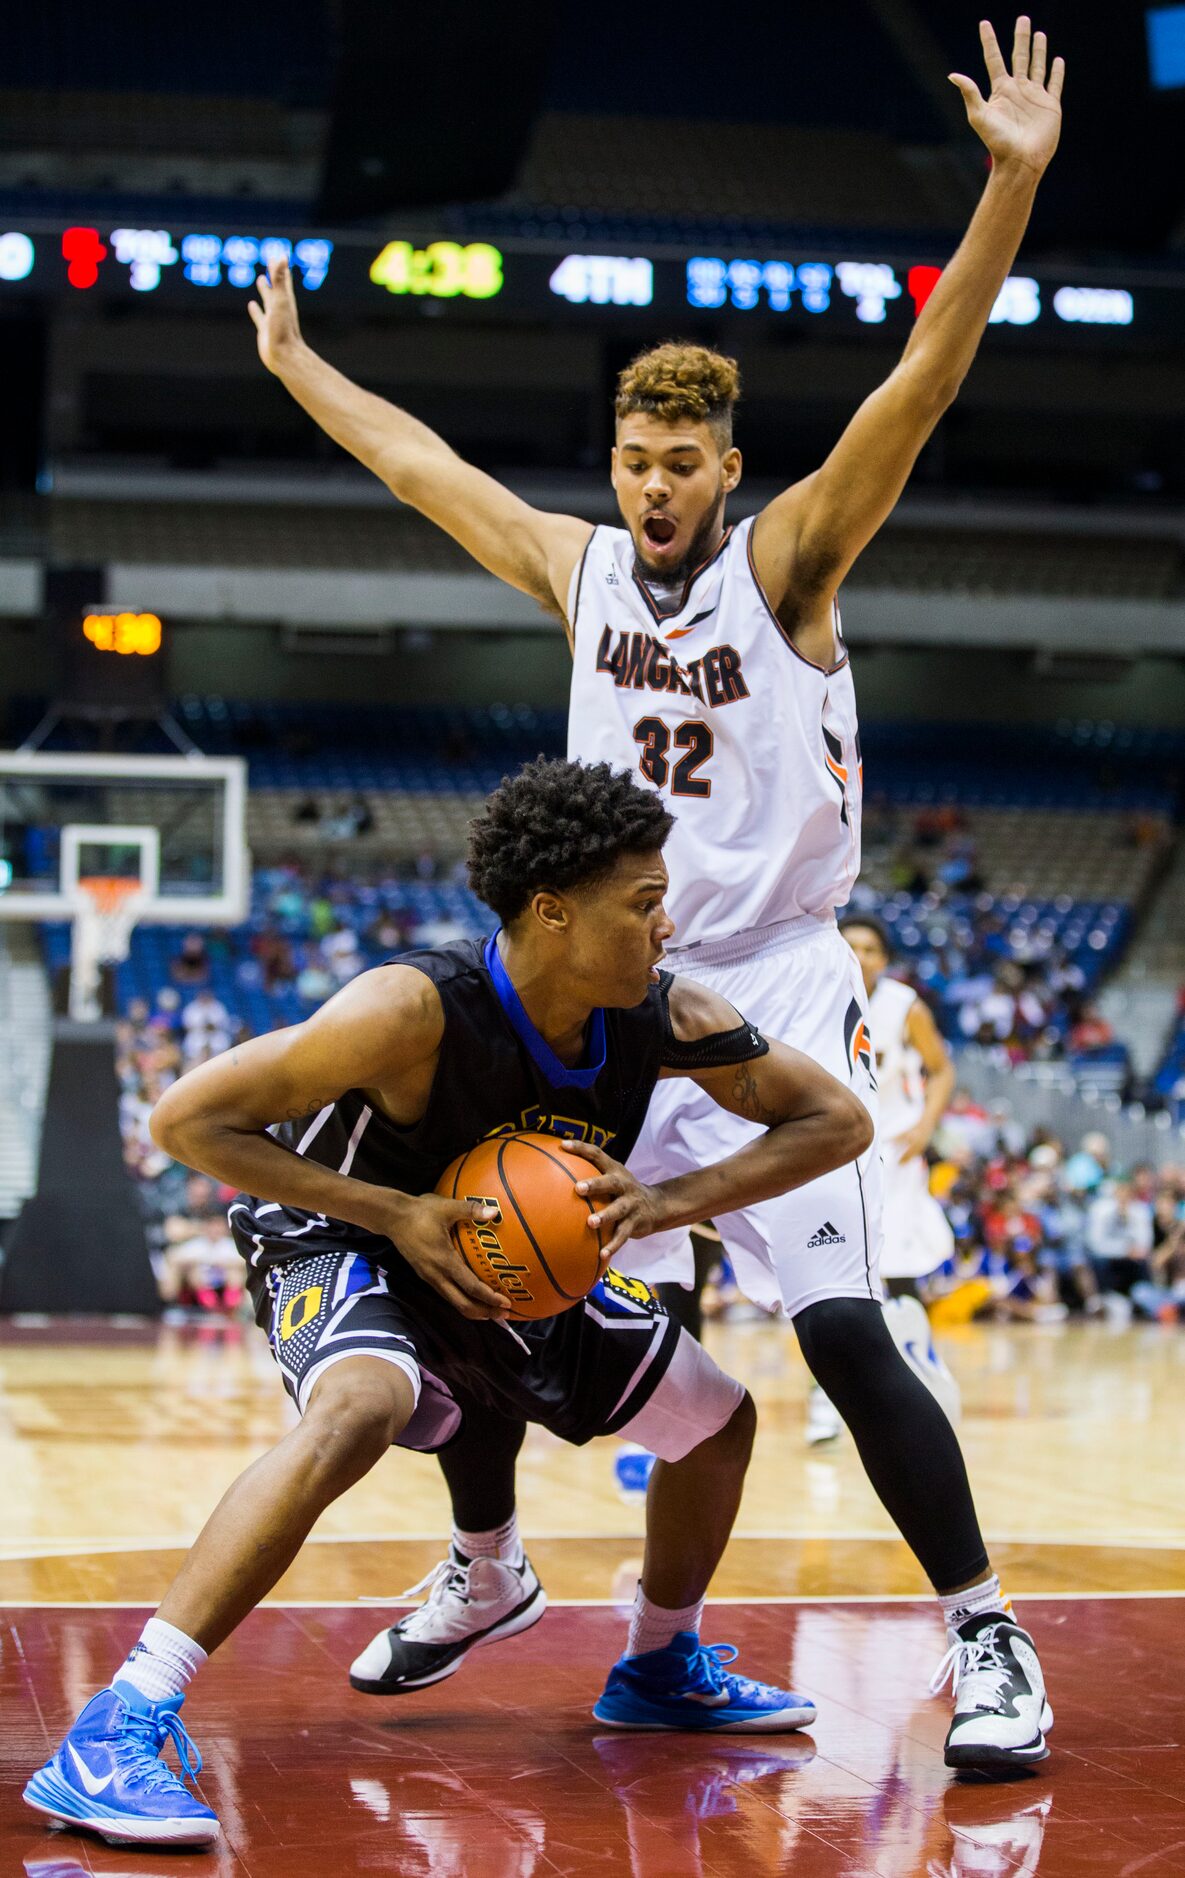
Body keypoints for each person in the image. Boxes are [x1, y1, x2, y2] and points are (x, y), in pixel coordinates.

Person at [247, 16, 1063, 1774]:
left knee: (839, 1327)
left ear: (728, 470)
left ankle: (986, 1630)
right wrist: (302, 368)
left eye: (681, 463)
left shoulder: (793, 561)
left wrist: (1009, 188)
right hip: (612, 984)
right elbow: (423, 470)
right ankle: (496, 1569)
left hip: (764, 986)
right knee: (480, 1244)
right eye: (633, 458)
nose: (652, 487)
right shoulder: (586, 567)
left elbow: (921, 374)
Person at [25, 758, 872, 1849]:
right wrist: (392, 1212)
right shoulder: (407, 1010)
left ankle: (660, 1662)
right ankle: (121, 1717)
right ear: (552, 911)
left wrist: (668, 1200)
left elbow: (835, 1123)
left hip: (500, 1256)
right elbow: (190, 1123)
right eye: (646, 905)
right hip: (342, 1233)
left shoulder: (668, 1016)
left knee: (720, 1421)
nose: (669, 930)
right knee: (362, 1406)